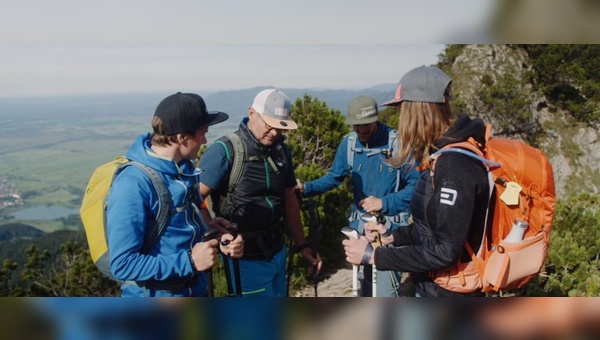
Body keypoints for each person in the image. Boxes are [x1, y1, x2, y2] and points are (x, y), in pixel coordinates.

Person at [343, 65, 490, 297]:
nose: (401, 119)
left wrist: (374, 256)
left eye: (403, 110)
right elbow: (432, 228)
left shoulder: (454, 165)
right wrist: (392, 235)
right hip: (432, 287)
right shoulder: (438, 156)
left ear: (417, 111)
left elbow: (445, 251)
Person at [107, 92, 244, 297]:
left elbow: (183, 225)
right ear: (182, 137)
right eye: (202, 133)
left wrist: (215, 231)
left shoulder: (185, 168)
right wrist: (189, 261)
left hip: (195, 289)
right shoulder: (133, 184)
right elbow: (122, 265)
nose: (205, 140)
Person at [198, 88, 323, 297]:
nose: (275, 132)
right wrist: (219, 236)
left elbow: (290, 199)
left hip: (277, 250)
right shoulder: (225, 150)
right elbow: (195, 199)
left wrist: (303, 244)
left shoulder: (281, 150)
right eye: (269, 124)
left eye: (280, 128)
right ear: (252, 113)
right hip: (245, 260)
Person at [296, 95, 419, 297]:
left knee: (385, 293)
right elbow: (335, 176)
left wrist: (384, 202)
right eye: (357, 126)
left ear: (376, 120)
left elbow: (417, 184)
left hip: (390, 230)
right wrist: (307, 188)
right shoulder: (349, 144)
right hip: (360, 230)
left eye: (366, 127)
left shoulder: (398, 143)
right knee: (364, 288)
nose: (361, 131)